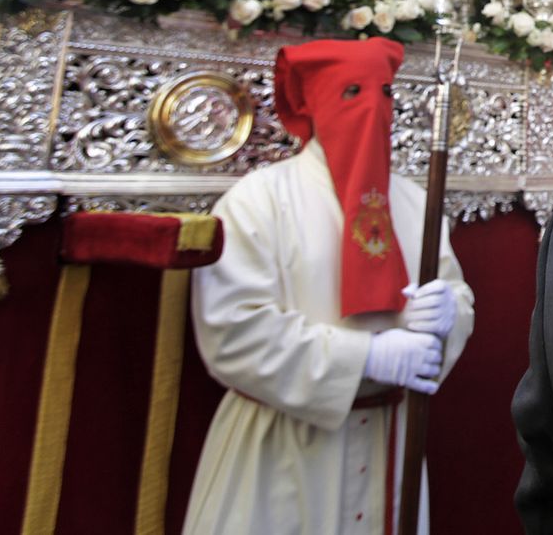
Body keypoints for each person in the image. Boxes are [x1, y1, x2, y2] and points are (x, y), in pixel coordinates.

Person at [184, 38, 475, 535]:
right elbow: (232, 329)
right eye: (351, 92)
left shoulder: (411, 201)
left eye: (384, 93)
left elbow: (452, 291)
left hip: (390, 441)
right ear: (315, 102)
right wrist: (363, 358)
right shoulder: (258, 200)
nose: (371, 108)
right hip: (285, 446)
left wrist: (449, 313)